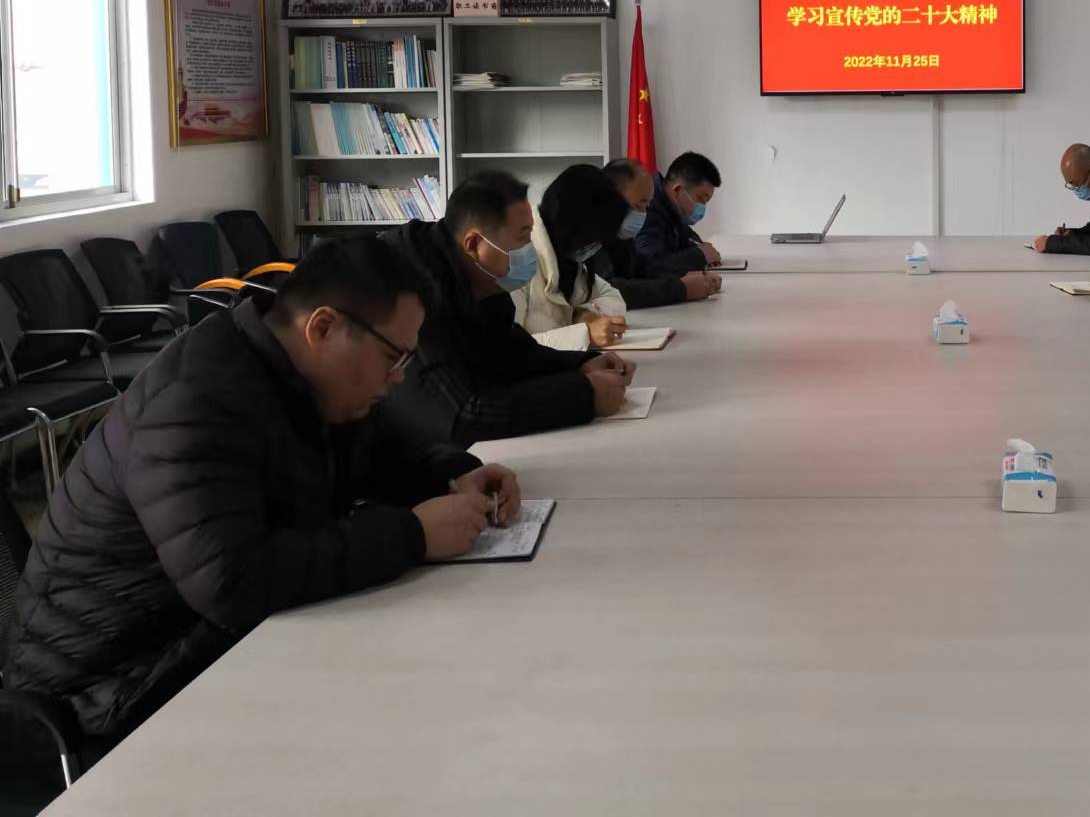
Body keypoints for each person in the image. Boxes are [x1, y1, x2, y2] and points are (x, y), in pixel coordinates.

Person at [3, 237, 518, 747]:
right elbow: (233, 582)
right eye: (394, 356)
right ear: (323, 328)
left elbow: (381, 453)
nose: (399, 378)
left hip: (202, 647)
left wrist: (454, 474)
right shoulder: (194, 399)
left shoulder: (301, 377)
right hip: (105, 700)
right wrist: (412, 535)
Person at [384, 170, 634, 447]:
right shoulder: (412, 290)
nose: (530, 250)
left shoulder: (480, 276)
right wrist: (584, 396)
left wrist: (581, 365)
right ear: (474, 244)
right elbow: (460, 416)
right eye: (523, 238)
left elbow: (511, 353)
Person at [513, 164, 631, 349]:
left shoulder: (567, 259)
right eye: (593, 239)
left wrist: (583, 314)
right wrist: (584, 335)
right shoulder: (515, 262)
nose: (594, 248)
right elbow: (508, 349)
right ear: (574, 226)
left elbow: (614, 298)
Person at [593, 157, 722, 309]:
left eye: (646, 207)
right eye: (638, 205)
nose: (643, 214)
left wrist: (688, 277)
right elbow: (607, 290)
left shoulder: (620, 234)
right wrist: (681, 289)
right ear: (611, 198)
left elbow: (644, 268)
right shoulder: (589, 235)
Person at [638, 150, 725, 272]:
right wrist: (699, 256)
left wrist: (701, 248)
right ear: (678, 191)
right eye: (701, 199)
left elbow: (686, 239)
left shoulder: (672, 208)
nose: (702, 208)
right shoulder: (647, 208)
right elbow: (649, 266)